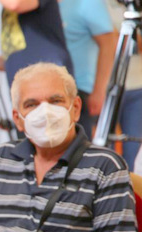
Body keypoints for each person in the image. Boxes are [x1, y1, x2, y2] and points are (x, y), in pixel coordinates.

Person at [0, 62, 139, 232]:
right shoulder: (2, 158)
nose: (45, 113)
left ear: (76, 108)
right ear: (18, 119)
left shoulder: (105, 166)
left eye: (55, 101)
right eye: (31, 105)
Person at [59, 0, 116, 136]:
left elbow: (109, 43)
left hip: (80, 89)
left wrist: (99, 91)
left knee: (80, 143)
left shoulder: (89, 3)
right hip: (49, 87)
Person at [106, 0, 142, 171]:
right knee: (105, 147)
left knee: (133, 147)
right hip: (108, 87)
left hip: (137, 84)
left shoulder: (136, 7)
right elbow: (105, 42)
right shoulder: (99, 5)